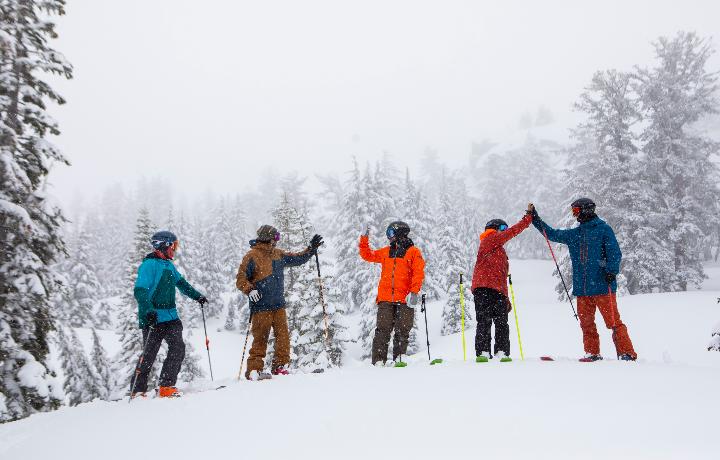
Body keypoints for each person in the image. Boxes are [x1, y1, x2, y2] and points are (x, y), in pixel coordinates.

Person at [530, 198, 637, 361]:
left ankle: (626, 353)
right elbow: (552, 234)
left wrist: (611, 270)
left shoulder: (603, 230)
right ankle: (592, 353)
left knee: (613, 322)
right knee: (586, 324)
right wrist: (536, 220)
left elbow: (614, 253)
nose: (575, 215)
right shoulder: (576, 233)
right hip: (583, 289)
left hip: (602, 286)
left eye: (576, 211)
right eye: (573, 212)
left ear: (587, 210)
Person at [236, 225, 323, 380]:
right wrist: (250, 290)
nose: (277, 240)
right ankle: (254, 371)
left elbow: (298, 258)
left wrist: (311, 248)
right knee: (260, 339)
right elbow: (241, 279)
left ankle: (280, 367)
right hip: (261, 306)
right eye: (275, 237)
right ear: (267, 238)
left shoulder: (278, 254)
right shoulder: (252, 256)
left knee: (283, 338)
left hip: (278, 305)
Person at [131, 231, 207, 399]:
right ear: (163, 245)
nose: (174, 249)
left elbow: (182, 284)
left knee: (178, 348)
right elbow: (140, 290)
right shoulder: (149, 265)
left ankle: (166, 386)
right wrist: (149, 310)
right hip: (153, 318)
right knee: (149, 354)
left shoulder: (169, 265)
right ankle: (137, 391)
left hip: (171, 317)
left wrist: (197, 296)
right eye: (173, 246)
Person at [471, 205, 534, 362]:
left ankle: (501, 352)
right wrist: (527, 220)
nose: (505, 231)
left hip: (497, 290)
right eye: (502, 228)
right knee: (485, 321)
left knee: (502, 323)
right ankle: (483, 352)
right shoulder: (489, 239)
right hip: (484, 288)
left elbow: (501, 277)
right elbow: (512, 232)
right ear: (494, 229)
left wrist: (506, 298)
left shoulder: (500, 251)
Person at [359, 221, 425, 366]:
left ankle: (400, 360)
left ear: (399, 233)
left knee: (402, 332)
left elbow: (418, 273)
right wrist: (364, 237)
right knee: (382, 331)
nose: (388, 237)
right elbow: (367, 255)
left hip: (405, 298)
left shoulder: (413, 252)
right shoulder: (386, 252)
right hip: (385, 299)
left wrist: (414, 292)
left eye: (390, 233)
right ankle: (378, 362)